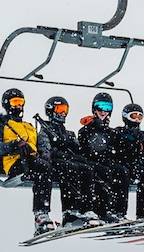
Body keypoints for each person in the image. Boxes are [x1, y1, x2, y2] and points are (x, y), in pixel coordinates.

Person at [29, 95, 98, 234]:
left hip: (67, 162)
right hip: (55, 164)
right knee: (69, 167)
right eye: (60, 109)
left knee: (86, 169)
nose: (63, 113)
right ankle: (69, 212)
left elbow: (80, 150)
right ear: (50, 111)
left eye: (65, 109)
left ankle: (86, 209)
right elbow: (45, 150)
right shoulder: (45, 131)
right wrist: (58, 153)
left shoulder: (67, 133)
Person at [76, 92, 131, 222]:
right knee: (102, 172)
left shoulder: (111, 132)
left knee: (122, 171)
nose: (103, 111)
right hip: (91, 163)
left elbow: (119, 150)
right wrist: (94, 127)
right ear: (94, 108)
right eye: (100, 107)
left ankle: (119, 212)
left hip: (107, 163)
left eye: (107, 108)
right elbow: (85, 148)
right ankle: (101, 210)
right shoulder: (85, 130)